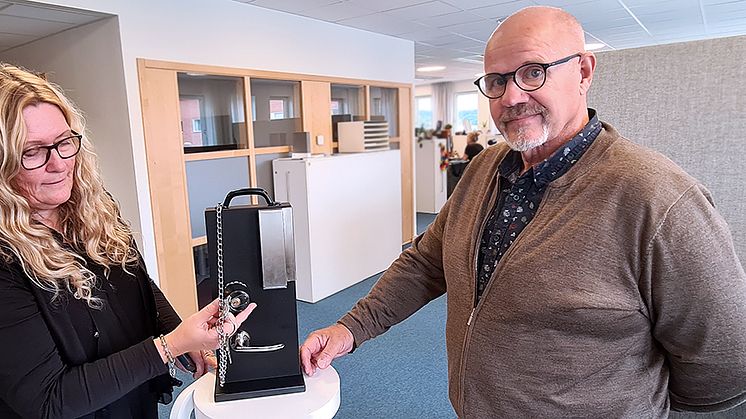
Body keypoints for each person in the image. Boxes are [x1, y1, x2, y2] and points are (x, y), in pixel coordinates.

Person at [300, 6, 746, 418]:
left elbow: (723, 358)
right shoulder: (483, 170)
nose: (511, 96)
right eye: (496, 80)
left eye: (533, 72)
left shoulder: (658, 199)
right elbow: (425, 264)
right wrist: (350, 329)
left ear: (584, 71)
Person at [0, 63, 256, 418]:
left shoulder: (93, 205)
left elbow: (137, 284)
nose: (58, 163)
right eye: (32, 151)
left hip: (130, 394)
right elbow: (49, 400)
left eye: (64, 142)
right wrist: (169, 347)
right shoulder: (5, 260)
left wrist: (182, 339)